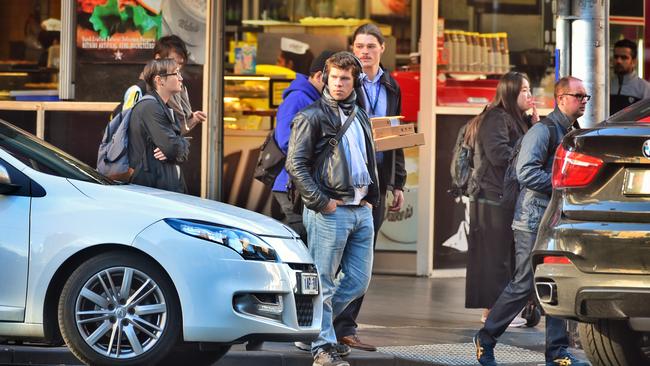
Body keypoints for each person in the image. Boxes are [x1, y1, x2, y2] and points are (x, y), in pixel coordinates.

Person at [473, 76, 590, 366]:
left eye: (586, 97)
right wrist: (564, 184)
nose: (584, 101)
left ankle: (557, 352)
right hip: (531, 220)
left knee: (557, 284)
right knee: (524, 283)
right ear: (561, 98)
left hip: (557, 221)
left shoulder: (573, 131)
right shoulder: (543, 131)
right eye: (579, 96)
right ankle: (486, 338)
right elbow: (526, 173)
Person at [286, 51, 379, 366]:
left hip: (360, 208)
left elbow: (367, 157)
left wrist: (371, 197)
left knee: (357, 281)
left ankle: (310, 326)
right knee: (323, 281)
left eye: (345, 78)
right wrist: (321, 201)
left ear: (354, 82)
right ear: (326, 78)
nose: (338, 84)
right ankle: (322, 349)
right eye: (334, 77)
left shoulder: (361, 115)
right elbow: (295, 165)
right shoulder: (311, 115)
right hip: (330, 209)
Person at [332, 23, 406, 352]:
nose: (364, 51)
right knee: (333, 259)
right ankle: (321, 325)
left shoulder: (391, 86)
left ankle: (346, 326)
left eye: (370, 46)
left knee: (362, 261)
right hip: (344, 182)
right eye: (359, 45)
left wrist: (398, 182)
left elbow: (396, 136)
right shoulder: (345, 80)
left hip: (376, 183)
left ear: (382, 49)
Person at [464, 72, 538, 327]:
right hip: (490, 196)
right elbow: (498, 154)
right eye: (524, 91)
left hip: (504, 196)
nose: (530, 95)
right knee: (494, 257)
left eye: (530, 90)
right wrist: (529, 157)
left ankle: (504, 310)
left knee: (506, 254)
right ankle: (492, 313)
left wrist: (534, 126)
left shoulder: (517, 120)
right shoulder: (495, 117)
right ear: (510, 93)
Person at [271, 50, 336, 243]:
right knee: (301, 241)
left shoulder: (316, 99)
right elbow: (285, 140)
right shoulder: (298, 98)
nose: (336, 85)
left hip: (304, 185)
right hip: (292, 187)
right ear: (318, 76)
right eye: (331, 78)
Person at [122, 35, 206, 135]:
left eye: (180, 64)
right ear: (158, 59)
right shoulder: (139, 91)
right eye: (173, 62)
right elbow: (127, 131)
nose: (177, 68)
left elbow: (173, 133)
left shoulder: (174, 93)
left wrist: (193, 119)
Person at [127, 58, 190, 193]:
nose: (181, 78)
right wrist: (175, 147)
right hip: (152, 187)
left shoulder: (164, 107)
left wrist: (177, 146)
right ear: (159, 80)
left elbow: (177, 150)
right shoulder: (150, 107)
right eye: (176, 73)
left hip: (163, 183)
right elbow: (171, 147)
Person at [610, 38, 650, 114]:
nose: (618, 61)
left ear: (634, 61)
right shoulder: (606, 86)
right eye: (616, 57)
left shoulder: (645, 88)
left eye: (624, 57)